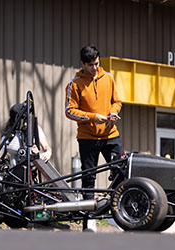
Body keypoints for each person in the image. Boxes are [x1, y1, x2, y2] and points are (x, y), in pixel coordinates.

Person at [65, 44, 124, 232]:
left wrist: (113, 113)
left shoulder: (109, 78)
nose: (95, 68)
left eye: (97, 63)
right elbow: (69, 111)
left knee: (121, 171)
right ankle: (89, 220)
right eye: (91, 65)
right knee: (88, 177)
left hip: (110, 134)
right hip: (87, 137)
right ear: (83, 64)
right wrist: (92, 117)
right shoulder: (75, 84)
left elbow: (117, 101)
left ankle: (119, 215)